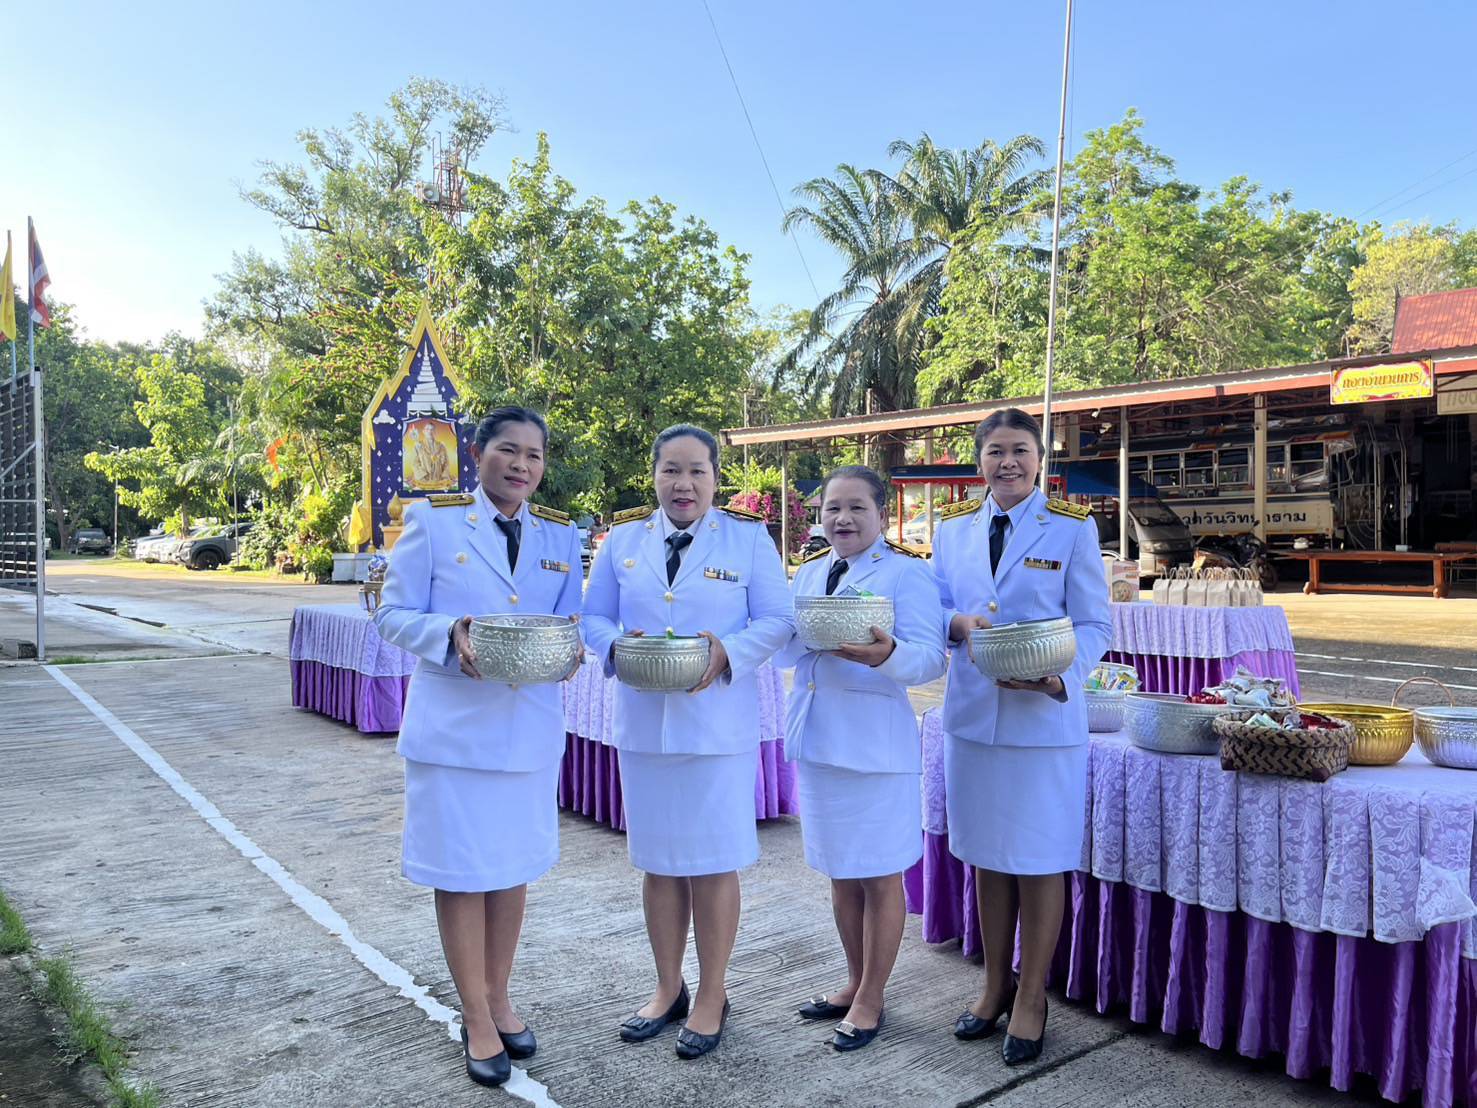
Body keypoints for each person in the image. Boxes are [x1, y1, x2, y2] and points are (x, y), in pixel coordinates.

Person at [374, 406, 583, 1089]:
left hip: (527, 728)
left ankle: (498, 994)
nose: (522, 465)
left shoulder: (559, 534)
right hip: (455, 733)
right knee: (462, 871)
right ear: (476, 452)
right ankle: (474, 1014)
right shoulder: (434, 523)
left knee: (511, 866)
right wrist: (449, 633)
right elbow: (391, 612)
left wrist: (573, 649)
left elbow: (570, 621)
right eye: (508, 450)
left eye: (534, 454)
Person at [581, 424, 792, 1060]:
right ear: (653, 474)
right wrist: (616, 646)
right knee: (660, 862)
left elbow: (777, 620)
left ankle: (713, 993)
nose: (684, 483)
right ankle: (668, 986)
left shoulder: (748, 539)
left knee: (714, 861)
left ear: (715, 478)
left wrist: (729, 651)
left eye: (697, 470)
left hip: (717, 729)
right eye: (671, 469)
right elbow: (594, 617)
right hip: (646, 728)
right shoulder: (623, 540)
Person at [931, 407, 1110, 1067]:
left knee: (1038, 859)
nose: (1007, 463)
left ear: (1040, 459)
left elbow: (1094, 624)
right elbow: (933, 607)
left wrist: (1061, 677)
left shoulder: (1071, 527)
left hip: (1042, 720)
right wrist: (956, 625)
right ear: (978, 459)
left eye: (1019, 451)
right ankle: (994, 985)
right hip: (974, 718)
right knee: (986, 855)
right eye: (995, 451)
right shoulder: (951, 528)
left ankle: (1031, 995)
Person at [778, 465, 946, 1052]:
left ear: (881, 514)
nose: (843, 519)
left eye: (856, 508)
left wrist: (887, 654)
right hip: (818, 740)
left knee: (879, 874)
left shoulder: (906, 573)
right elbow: (788, 649)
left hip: (875, 749)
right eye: (832, 508)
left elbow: (930, 659)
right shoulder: (809, 572)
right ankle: (854, 981)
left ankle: (873, 996)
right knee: (841, 871)